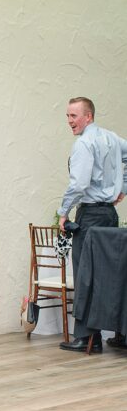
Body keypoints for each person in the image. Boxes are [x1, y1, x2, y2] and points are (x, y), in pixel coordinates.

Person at [58, 96, 127, 353]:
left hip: (90, 216)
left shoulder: (84, 144)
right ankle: (118, 333)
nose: (69, 121)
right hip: (110, 215)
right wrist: (123, 188)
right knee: (110, 275)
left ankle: (87, 338)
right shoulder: (111, 138)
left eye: (73, 116)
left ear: (88, 116)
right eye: (67, 116)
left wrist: (64, 212)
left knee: (86, 275)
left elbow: (78, 185)